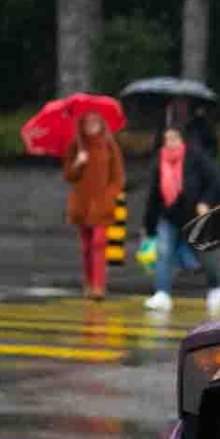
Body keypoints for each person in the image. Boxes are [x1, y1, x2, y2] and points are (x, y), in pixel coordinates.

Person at [139, 125, 220, 314]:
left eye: (175, 138)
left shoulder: (197, 157)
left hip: (194, 216)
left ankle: (215, 287)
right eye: (167, 139)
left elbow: (218, 183)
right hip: (169, 216)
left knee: (204, 254)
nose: (171, 143)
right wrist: (149, 226)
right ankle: (162, 294)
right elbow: (153, 196)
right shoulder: (159, 162)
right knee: (164, 253)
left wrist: (206, 201)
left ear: (183, 140)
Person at [61, 109, 123, 301]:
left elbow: (118, 177)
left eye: (95, 121)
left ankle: (98, 285)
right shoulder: (76, 146)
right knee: (86, 246)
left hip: (102, 204)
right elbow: (68, 176)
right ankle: (88, 283)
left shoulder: (109, 145)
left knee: (99, 243)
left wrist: (109, 197)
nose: (92, 125)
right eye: (88, 122)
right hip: (82, 203)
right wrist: (78, 163)